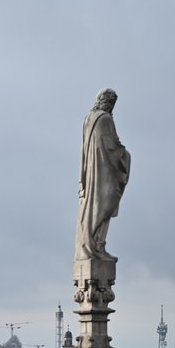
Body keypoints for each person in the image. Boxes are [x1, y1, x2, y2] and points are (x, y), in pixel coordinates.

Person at [75, 88, 130, 261]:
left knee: (92, 208)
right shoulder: (105, 119)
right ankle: (96, 246)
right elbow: (111, 147)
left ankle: (93, 245)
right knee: (104, 205)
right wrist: (125, 155)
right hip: (102, 174)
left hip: (91, 173)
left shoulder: (88, 119)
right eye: (111, 102)